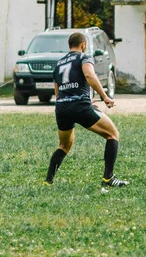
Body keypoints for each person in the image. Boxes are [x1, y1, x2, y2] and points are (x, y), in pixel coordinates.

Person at [45, 32, 128, 190]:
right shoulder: (84, 57)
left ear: (70, 45)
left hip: (61, 107)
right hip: (79, 106)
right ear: (83, 45)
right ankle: (108, 177)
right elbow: (89, 75)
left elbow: (57, 91)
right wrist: (105, 97)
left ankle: (48, 181)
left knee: (63, 145)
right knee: (112, 134)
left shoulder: (59, 63)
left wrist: (77, 100)